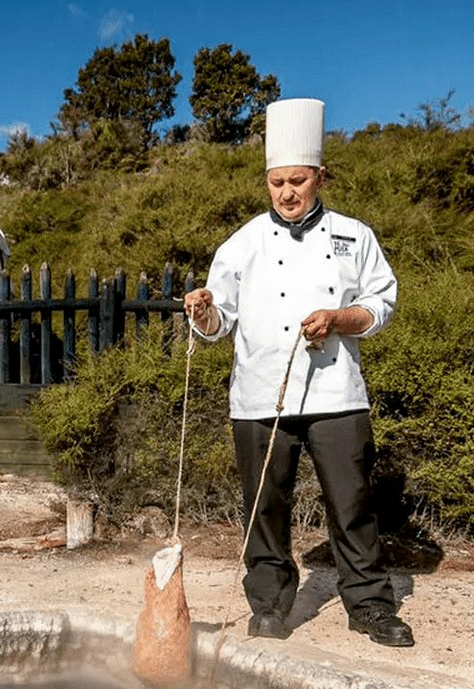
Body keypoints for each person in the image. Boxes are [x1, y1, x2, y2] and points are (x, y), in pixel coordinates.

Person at [181, 98, 413, 648]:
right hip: (261, 396)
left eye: (299, 181)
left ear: (320, 177)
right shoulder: (241, 244)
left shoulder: (355, 236)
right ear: (267, 182)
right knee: (265, 505)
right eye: (278, 182)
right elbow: (220, 324)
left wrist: (339, 318)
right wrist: (204, 309)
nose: (288, 193)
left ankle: (371, 606)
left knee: (352, 504)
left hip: (337, 391)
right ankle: (268, 604)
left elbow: (381, 305)